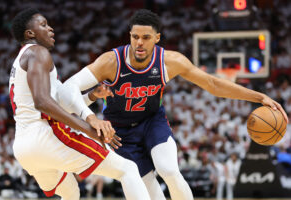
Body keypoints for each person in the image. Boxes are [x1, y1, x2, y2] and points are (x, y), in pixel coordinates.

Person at [62, 9, 288, 200]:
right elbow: (68, 88)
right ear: (129, 36)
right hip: (119, 132)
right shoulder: (110, 62)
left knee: (169, 169)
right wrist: (90, 110)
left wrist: (259, 97)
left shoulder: (169, 61)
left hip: (152, 122)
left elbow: (212, 83)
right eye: (135, 36)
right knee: (147, 188)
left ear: (157, 38)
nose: (139, 43)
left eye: (146, 37)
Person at [9, 8, 150, 200]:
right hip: (45, 135)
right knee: (128, 169)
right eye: (43, 25)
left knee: (71, 192)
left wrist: (91, 96)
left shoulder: (21, 60)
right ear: (30, 33)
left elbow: (54, 104)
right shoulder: (38, 52)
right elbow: (43, 102)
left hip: (23, 147)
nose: (51, 29)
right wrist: (88, 128)